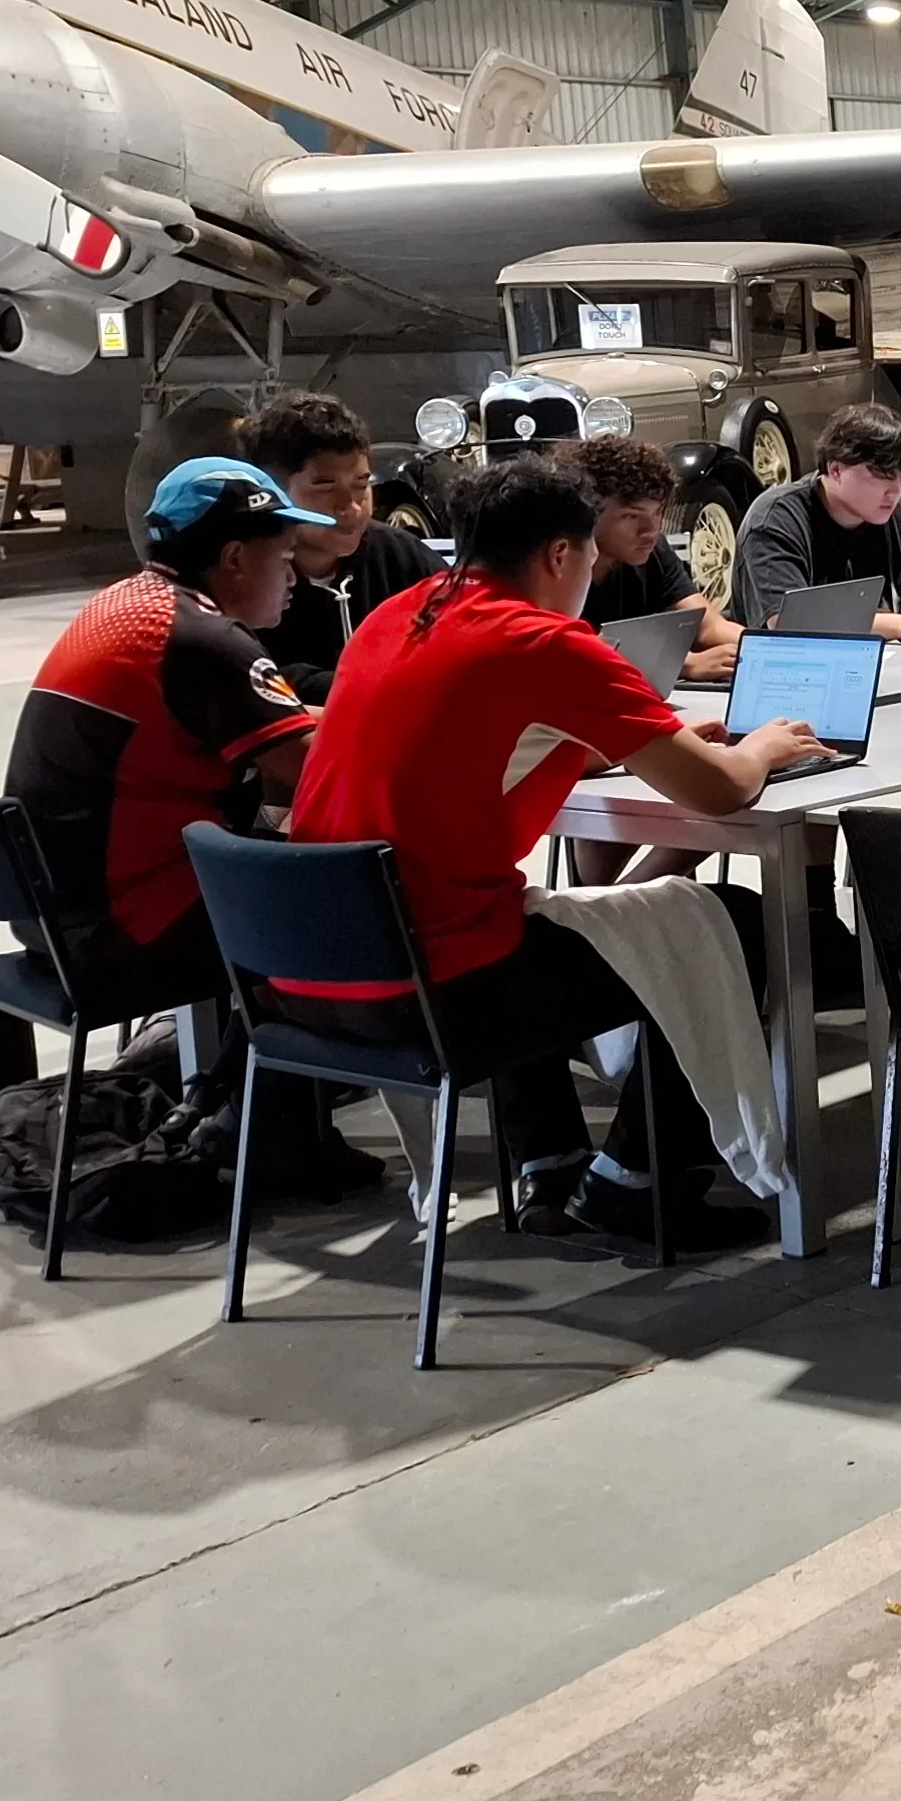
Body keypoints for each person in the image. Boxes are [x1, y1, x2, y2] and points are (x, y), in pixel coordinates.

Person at [277, 454, 836, 1252]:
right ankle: (636, 1187)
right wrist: (765, 748)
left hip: (312, 966)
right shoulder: (545, 642)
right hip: (427, 988)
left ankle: (550, 1161)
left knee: (516, 913)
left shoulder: (397, 614)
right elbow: (720, 794)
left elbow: (480, 738)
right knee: (738, 923)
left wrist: (640, 745)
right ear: (562, 556)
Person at [6, 454, 322, 1024]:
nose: (294, 578)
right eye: (285, 558)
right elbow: (319, 770)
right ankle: (256, 1107)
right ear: (235, 559)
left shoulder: (130, 605)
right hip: (126, 927)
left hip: (58, 919)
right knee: (363, 917)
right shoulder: (202, 640)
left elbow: (291, 725)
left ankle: (244, 1095)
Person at [245, 393, 443, 697]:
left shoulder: (401, 555)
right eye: (325, 487)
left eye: (361, 486)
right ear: (270, 488)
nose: (350, 507)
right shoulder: (246, 576)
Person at [733, 403, 901, 644]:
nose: (894, 491)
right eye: (881, 476)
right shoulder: (775, 520)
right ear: (835, 470)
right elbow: (788, 620)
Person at [568, 436, 740, 681]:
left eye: (657, 513)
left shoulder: (653, 550)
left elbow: (708, 624)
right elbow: (565, 650)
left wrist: (768, 649)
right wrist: (684, 664)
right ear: (588, 512)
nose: (650, 530)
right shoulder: (557, 567)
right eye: (630, 516)